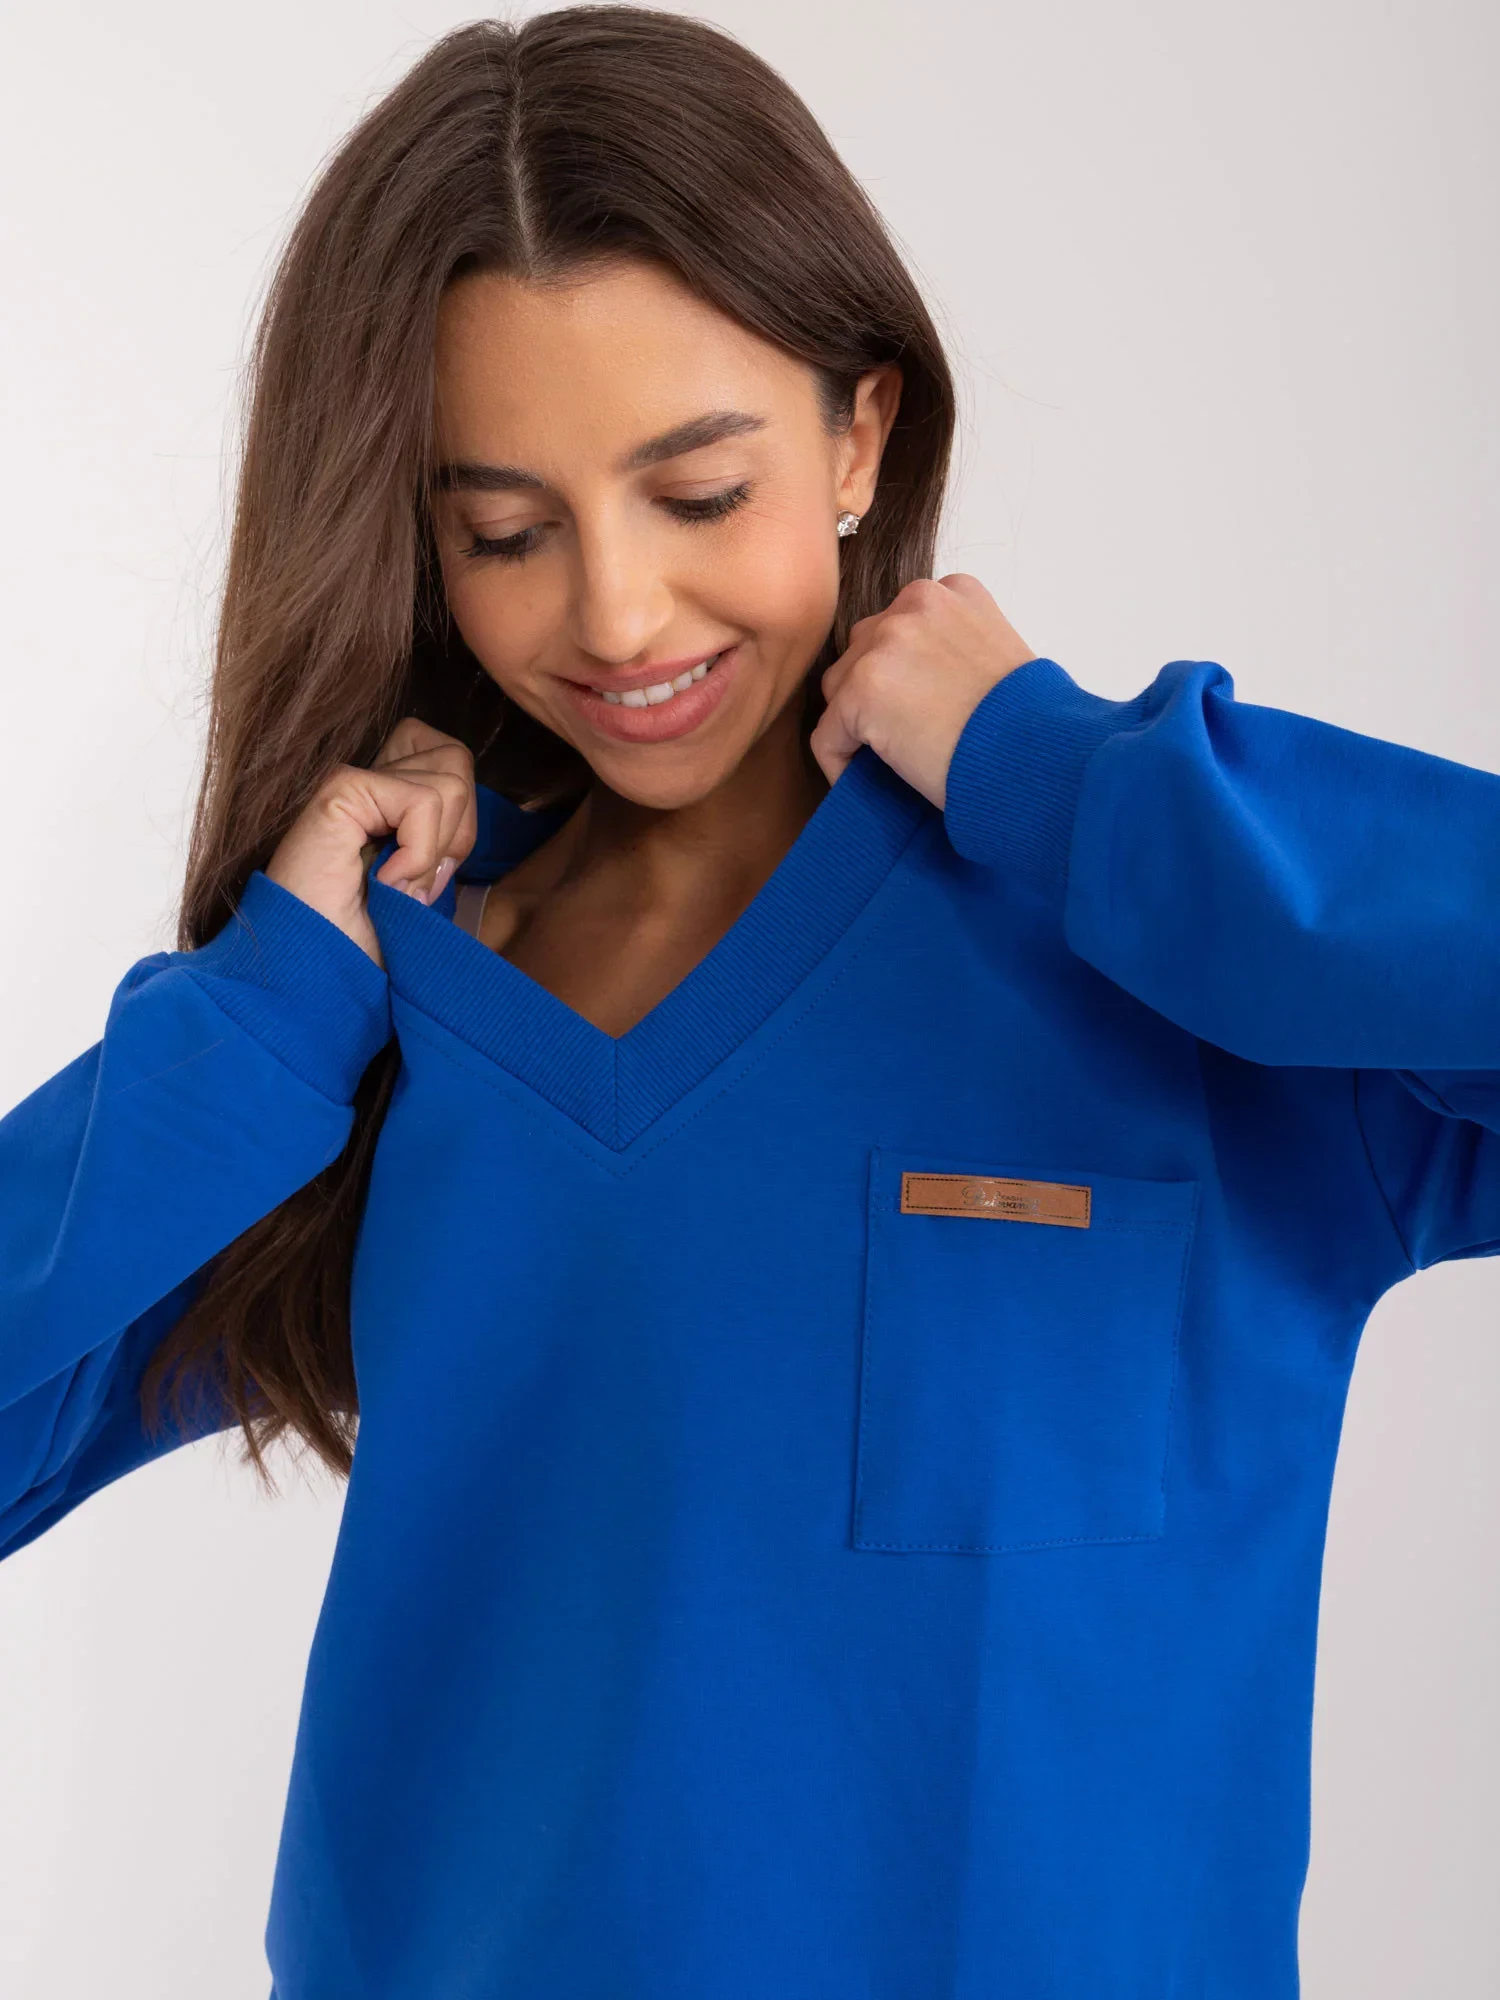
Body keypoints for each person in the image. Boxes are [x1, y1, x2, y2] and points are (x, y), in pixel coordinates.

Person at [2, 8, 1496, 1996]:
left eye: (698, 493)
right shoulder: (385, 1014)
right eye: (506, 531)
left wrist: (1074, 784)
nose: (616, 615)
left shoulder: (1183, 962)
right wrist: (266, 1013)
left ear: (860, 435)